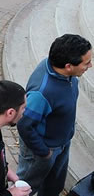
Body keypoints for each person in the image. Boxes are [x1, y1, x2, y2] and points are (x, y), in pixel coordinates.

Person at [16, 34, 92, 196]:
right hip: (44, 150)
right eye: (86, 63)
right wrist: (44, 152)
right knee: (25, 189)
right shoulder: (42, 93)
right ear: (68, 66)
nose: (90, 65)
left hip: (62, 143)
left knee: (53, 187)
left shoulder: (66, 74)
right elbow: (24, 125)